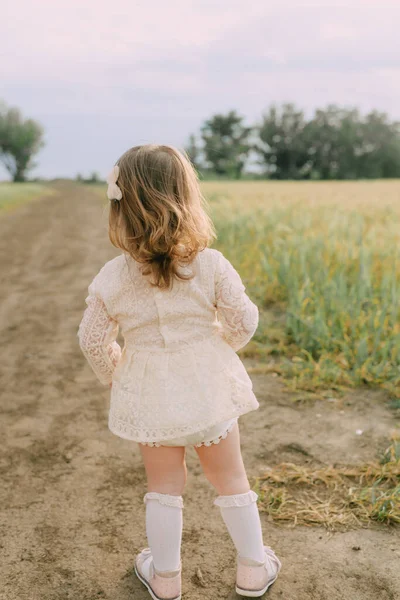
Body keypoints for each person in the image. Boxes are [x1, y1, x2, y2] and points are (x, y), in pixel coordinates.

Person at [77, 144, 281, 599]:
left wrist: (117, 372)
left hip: (149, 391)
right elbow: (244, 321)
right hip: (208, 386)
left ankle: (165, 577)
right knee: (231, 478)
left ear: (122, 207)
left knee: (164, 485)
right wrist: (216, 351)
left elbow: (91, 339)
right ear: (184, 197)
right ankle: (252, 567)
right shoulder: (209, 264)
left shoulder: (113, 276)